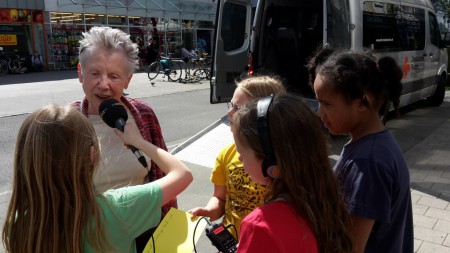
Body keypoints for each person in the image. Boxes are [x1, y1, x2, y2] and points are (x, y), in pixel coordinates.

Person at [2, 105, 192, 253]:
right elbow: (182, 174)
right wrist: (138, 141)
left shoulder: (16, 223)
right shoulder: (118, 209)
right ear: (92, 153)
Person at [71, 26, 176, 252]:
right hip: (87, 239)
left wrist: (170, 233)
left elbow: (164, 175)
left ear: (128, 80)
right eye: (95, 73)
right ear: (80, 72)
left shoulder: (144, 115)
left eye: (114, 76)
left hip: (145, 234)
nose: (104, 84)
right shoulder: (66, 123)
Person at [313, 51, 413, 253]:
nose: (319, 112)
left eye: (326, 104)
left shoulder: (368, 161)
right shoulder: (372, 145)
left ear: (362, 102)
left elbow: (349, 247)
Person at [232, 94, 354, 252]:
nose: (239, 158)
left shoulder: (260, 226)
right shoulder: (327, 200)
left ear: (272, 163)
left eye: (241, 152)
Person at [188, 75, 286, 239]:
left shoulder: (285, 160)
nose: (230, 112)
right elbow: (220, 198)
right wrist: (209, 211)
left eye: (238, 108)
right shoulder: (226, 154)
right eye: (231, 105)